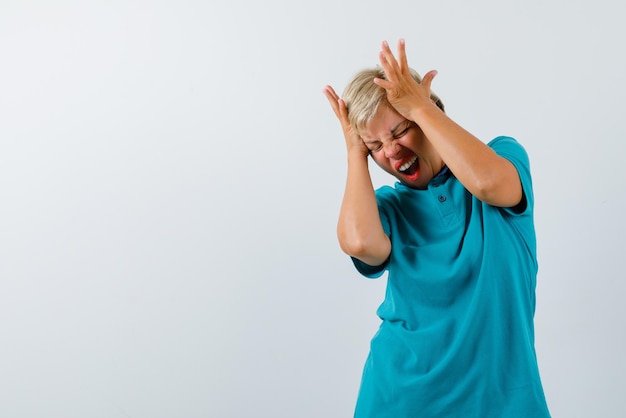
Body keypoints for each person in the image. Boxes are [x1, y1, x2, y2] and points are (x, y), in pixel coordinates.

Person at [323, 39, 551, 417]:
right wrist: (353, 152)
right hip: (400, 401)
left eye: (400, 131)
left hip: (505, 401)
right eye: (375, 146)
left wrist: (419, 106)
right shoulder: (388, 208)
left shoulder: (503, 156)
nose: (392, 152)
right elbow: (362, 244)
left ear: (432, 113)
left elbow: (489, 184)